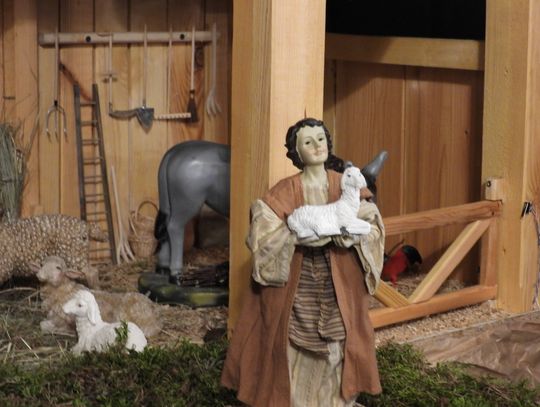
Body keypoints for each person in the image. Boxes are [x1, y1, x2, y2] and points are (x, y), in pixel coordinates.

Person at [221, 118, 384, 406]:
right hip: (298, 286)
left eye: (320, 139)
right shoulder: (284, 192)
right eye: (308, 142)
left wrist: (349, 237)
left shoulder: (344, 184)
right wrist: (294, 237)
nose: (317, 146)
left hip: (338, 286)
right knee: (289, 346)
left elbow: (371, 222)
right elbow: (263, 235)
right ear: (296, 152)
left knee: (339, 344)